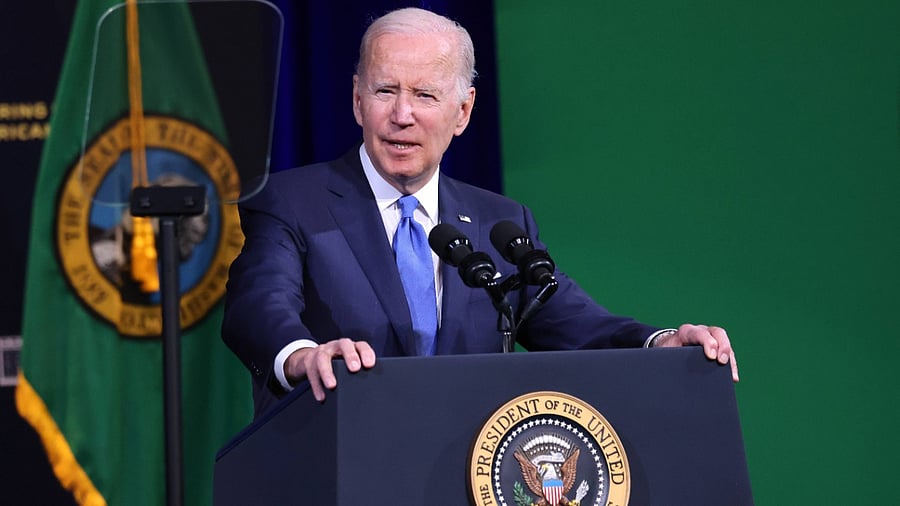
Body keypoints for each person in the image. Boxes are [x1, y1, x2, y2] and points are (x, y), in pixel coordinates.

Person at [222, 7, 738, 417]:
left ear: (463, 111)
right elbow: (258, 304)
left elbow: (574, 322)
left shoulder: (499, 222)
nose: (402, 115)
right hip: (334, 464)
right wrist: (302, 355)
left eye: (424, 95)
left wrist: (661, 343)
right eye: (385, 91)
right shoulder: (291, 200)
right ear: (358, 100)